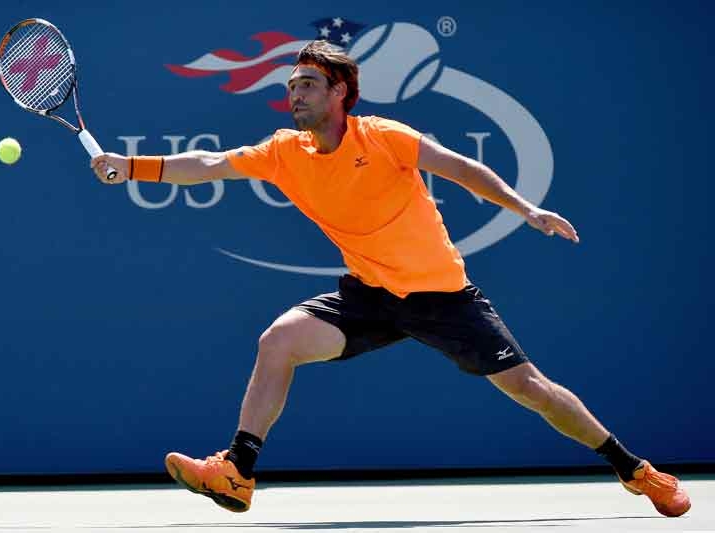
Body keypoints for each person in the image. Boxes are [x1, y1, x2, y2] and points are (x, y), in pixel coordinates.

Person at [91, 40, 691, 517]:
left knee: (531, 390)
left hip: (442, 297)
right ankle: (238, 472)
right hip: (369, 295)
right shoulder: (284, 151)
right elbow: (209, 163)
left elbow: (461, 167)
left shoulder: (383, 137)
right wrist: (132, 166)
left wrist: (525, 208)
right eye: (291, 86)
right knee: (278, 341)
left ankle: (634, 470)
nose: (295, 94)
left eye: (307, 84)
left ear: (340, 92)